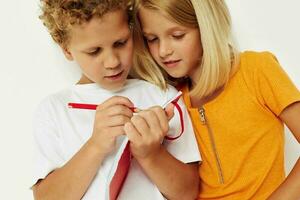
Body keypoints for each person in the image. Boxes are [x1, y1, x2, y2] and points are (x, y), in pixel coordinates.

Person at [31, 0, 201, 199]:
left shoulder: (164, 97)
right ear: (66, 49)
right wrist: (96, 145)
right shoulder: (53, 110)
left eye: (120, 43)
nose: (113, 62)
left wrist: (151, 154)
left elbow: (188, 193)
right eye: (94, 51)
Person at [133, 0, 300, 199]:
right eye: (152, 39)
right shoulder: (170, 101)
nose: (163, 51)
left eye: (177, 36)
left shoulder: (256, 70)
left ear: (206, 27)